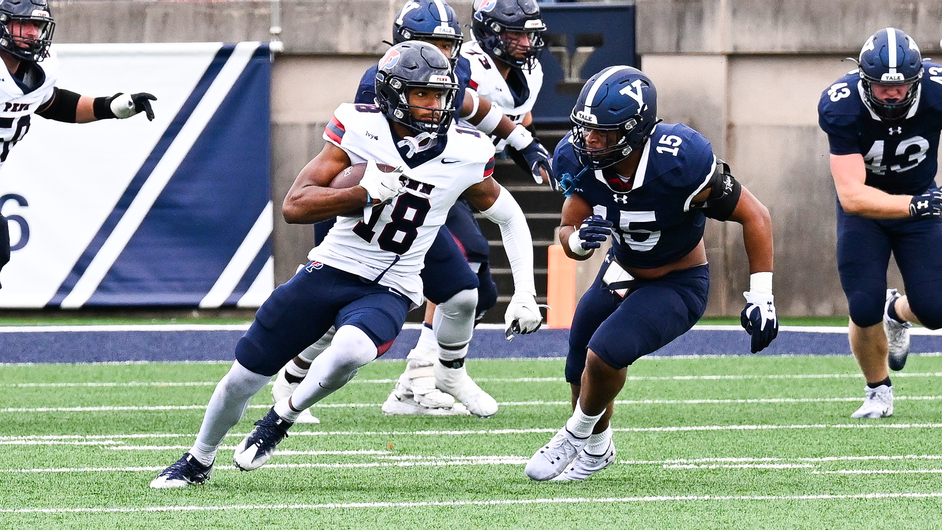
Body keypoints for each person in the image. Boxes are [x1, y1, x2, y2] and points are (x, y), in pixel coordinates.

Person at [150, 41, 542, 488]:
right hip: (332, 268)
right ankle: (198, 459)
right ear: (394, 94)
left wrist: (526, 294)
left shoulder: (465, 151)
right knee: (241, 380)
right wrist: (361, 193)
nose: (435, 106)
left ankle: (280, 418)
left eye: (441, 95)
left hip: (392, 284)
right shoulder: (359, 128)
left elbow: (509, 216)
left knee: (353, 349)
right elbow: (295, 206)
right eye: (423, 95)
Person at [271, 0, 552, 420]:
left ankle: (433, 374)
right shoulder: (379, 86)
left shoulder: (457, 77)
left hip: (427, 196)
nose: (437, 58)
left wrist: (523, 142)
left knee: (467, 292)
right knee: (338, 310)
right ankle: (292, 379)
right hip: (374, 203)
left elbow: (473, 106)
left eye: (445, 45)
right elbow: (355, 166)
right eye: (429, 44)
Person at [524, 66, 778, 482]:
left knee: (606, 351)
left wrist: (762, 295)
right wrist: (581, 243)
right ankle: (598, 450)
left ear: (635, 131)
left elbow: (756, 215)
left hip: (679, 279)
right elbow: (567, 233)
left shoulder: (682, 160)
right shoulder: (577, 160)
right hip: (622, 268)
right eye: (586, 129)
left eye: (603, 133)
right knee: (577, 357)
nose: (589, 140)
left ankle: (574, 436)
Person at [817, 27, 942, 419]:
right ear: (863, 79)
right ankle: (878, 390)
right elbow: (852, 194)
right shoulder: (842, 104)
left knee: (935, 310)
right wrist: (915, 206)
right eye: (882, 86)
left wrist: (922, 204)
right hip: (868, 211)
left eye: (902, 86)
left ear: (917, 79)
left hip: (919, 200)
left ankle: (898, 313)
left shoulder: (937, 92)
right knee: (863, 302)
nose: (892, 94)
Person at [0, 0, 156, 287]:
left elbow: (54, 103)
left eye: (37, 25)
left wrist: (111, 107)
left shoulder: (35, 73)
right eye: (25, 23)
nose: (33, 33)